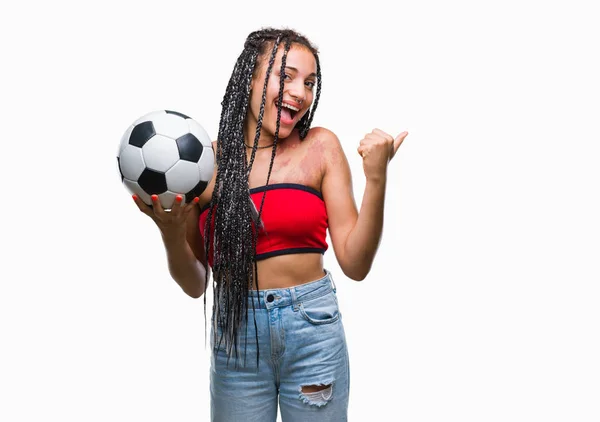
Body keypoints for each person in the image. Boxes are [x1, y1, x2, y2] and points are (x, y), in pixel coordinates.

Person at [132, 27, 407, 422]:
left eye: (310, 83)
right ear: (250, 78)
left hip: (312, 328)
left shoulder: (321, 147)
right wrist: (170, 232)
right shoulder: (203, 165)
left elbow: (356, 264)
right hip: (237, 334)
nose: (301, 92)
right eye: (287, 75)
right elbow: (195, 285)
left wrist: (377, 179)